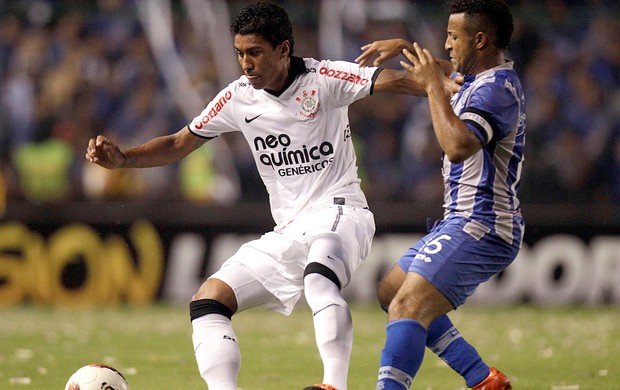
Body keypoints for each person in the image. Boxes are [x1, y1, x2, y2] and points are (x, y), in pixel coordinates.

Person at [85, 2, 475, 390]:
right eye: (240, 53)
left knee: (319, 280)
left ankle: (332, 386)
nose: (245, 63)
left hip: (341, 212)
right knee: (208, 301)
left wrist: (434, 70)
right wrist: (123, 160)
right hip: (288, 230)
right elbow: (178, 142)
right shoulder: (237, 97)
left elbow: (409, 82)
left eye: (254, 52)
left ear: (284, 49)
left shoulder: (325, 78)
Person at [356, 0, 524, 389]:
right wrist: (407, 48)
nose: (447, 45)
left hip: (483, 225)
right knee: (391, 290)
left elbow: (458, 146)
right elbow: (446, 70)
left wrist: (433, 89)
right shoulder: (480, 78)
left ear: (479, 40)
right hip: (460, 221)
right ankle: (483, 378)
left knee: (407, 306)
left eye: (453, 36)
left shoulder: (497, 91)